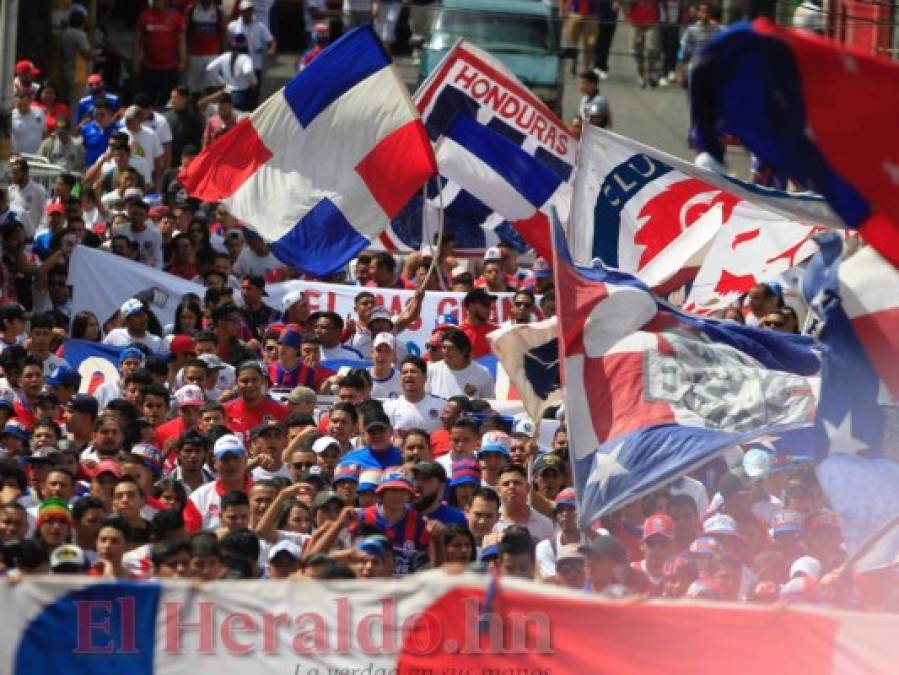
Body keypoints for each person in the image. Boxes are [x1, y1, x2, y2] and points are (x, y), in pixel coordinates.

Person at [183, 434, 252, 532]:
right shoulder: (198, 499)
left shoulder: (262, 494)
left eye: (236, 458)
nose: (231, 464)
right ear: (214, 462)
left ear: (245, 460)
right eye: (225, 459)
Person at [134, 0, 187, 108]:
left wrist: (183, 60)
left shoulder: (175, 17)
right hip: (150, 66)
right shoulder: (144, 16)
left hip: (170, 67)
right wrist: (135, 62)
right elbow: (137, 41)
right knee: (148, 99)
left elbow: (181, 40)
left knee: (167, 101)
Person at [227, 0, 276, 108]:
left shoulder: (260, 27)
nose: (247, 13)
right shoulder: (233, 27)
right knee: (239, 93)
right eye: (244, 11)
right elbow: (228, 43)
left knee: (254, 95)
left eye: (249, 11)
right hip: (239, 66)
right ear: (241, 12)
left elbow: (271, 40)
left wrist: (271, 49)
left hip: (255, 65)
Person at [383, 356, 444, 437]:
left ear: (425, 377)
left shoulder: (441, 406)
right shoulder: (388, 408)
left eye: (413, 371)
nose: (409, 375)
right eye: (404, 372)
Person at [426, 329, 495, 399]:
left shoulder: (482, 373)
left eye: (451, 348)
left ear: (464, 350)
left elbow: (490, 404)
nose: (446, 352)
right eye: (444, 347)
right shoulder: (431, 370)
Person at [494, 464, 554, 543]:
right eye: (506, 484)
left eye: (516, 483)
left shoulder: (545, 524)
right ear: (498, 491)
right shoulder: (492, 523)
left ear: (528, 488)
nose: (511, 486)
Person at [206, 34, 258, 112]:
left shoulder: (225, 56)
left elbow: (209, 68)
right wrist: (254, 83)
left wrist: (219, 81)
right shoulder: (246, 58)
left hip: (226, 94)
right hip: (242, 96)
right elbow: (248, 71)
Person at [185, 0, 228, 93]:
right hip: (194, 55)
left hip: (212, 54)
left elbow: (223, 33)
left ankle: (210, 105)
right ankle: (195, 105)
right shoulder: (191, 10)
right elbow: (185, 33)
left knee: (211, 84)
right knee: (194, 85)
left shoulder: (218, 11)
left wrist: (223, 52)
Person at [7, 157, 48, 240]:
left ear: (25, 172)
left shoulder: (38, 190)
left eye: (15, 173)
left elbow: (46, 214)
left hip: (32, 238)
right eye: (12, 173)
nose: (12, 176)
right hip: (14, 239)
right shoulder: (10, 190)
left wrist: (39, 233)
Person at [627, 0, 660, 88]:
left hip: (651, 23)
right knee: (634, 51)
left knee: (651, 48)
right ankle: (641, 72)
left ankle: (651, 72)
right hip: (635, 23)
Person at [11, 91, 46, 155]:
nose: (23, 107)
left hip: (38, 155)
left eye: (25, 104)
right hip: (19, 156)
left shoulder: (39, 112)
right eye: (20, 105)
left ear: (29, 101)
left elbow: (44, 131)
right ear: (15, 104)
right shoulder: (11, 116)